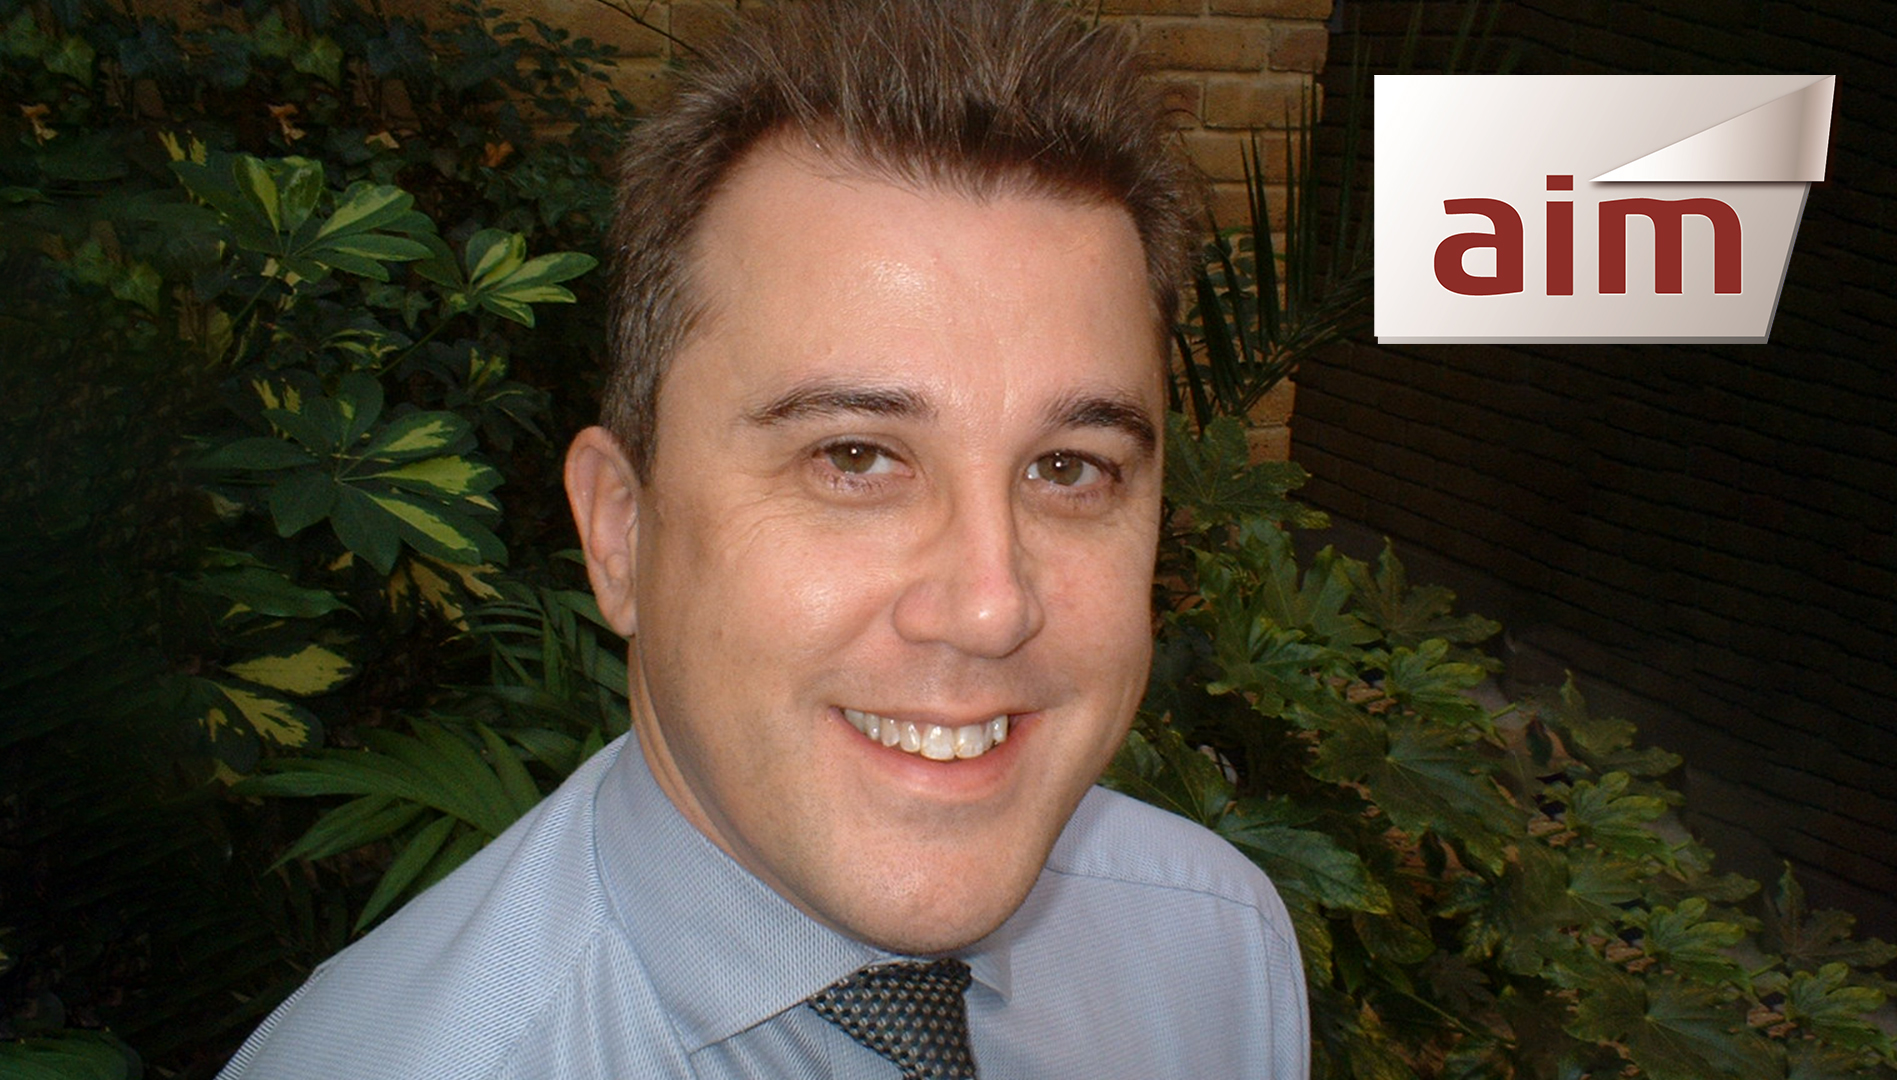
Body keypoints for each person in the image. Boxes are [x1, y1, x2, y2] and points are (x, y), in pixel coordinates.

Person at [218, 1, 1309, 1076]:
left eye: (1069, 468)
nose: (991, 603)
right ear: (619, 530)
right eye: (854, 459)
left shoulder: (1214, 955)